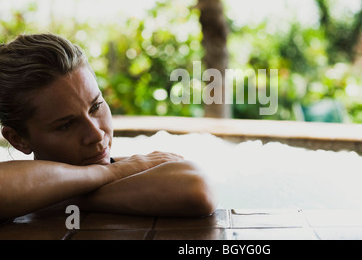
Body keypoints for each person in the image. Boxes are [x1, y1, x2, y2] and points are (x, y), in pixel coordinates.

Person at [0, 33, 217, 221]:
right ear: (18, 139)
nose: (96, 134)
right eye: (66, 125)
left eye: (96, 106)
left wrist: (56, 198)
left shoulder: (119, 167)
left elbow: (196, 187)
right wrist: (116, 171)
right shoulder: (123, 169)